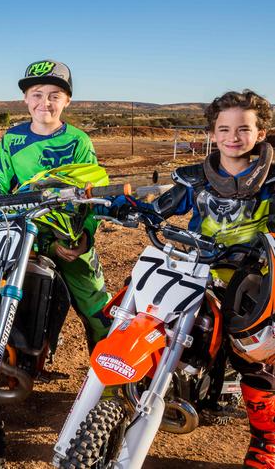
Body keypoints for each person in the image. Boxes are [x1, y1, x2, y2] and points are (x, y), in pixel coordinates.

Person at [115, 89, 275, 468]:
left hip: (253, 275)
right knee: (136, 307)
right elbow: (160, 207)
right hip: (195, 269)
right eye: (224, 128)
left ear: (261, 133)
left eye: (243, 128)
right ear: (213, 133)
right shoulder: (196, 180)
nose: (233, 136)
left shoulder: (271, 183)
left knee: (256, 352)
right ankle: (121, 396)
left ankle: (266, 440)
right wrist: (123, 206)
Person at [0, 59, 112, 346]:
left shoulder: (79, 142)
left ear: (67, 100)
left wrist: (84, 237)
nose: (44, 102)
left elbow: (93, 195)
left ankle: (108, 383)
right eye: (36, 94)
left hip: (68, 236)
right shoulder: (13, 140)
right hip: (22, 233)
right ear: (25, 98)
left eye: (54, 95)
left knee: (96, 307)